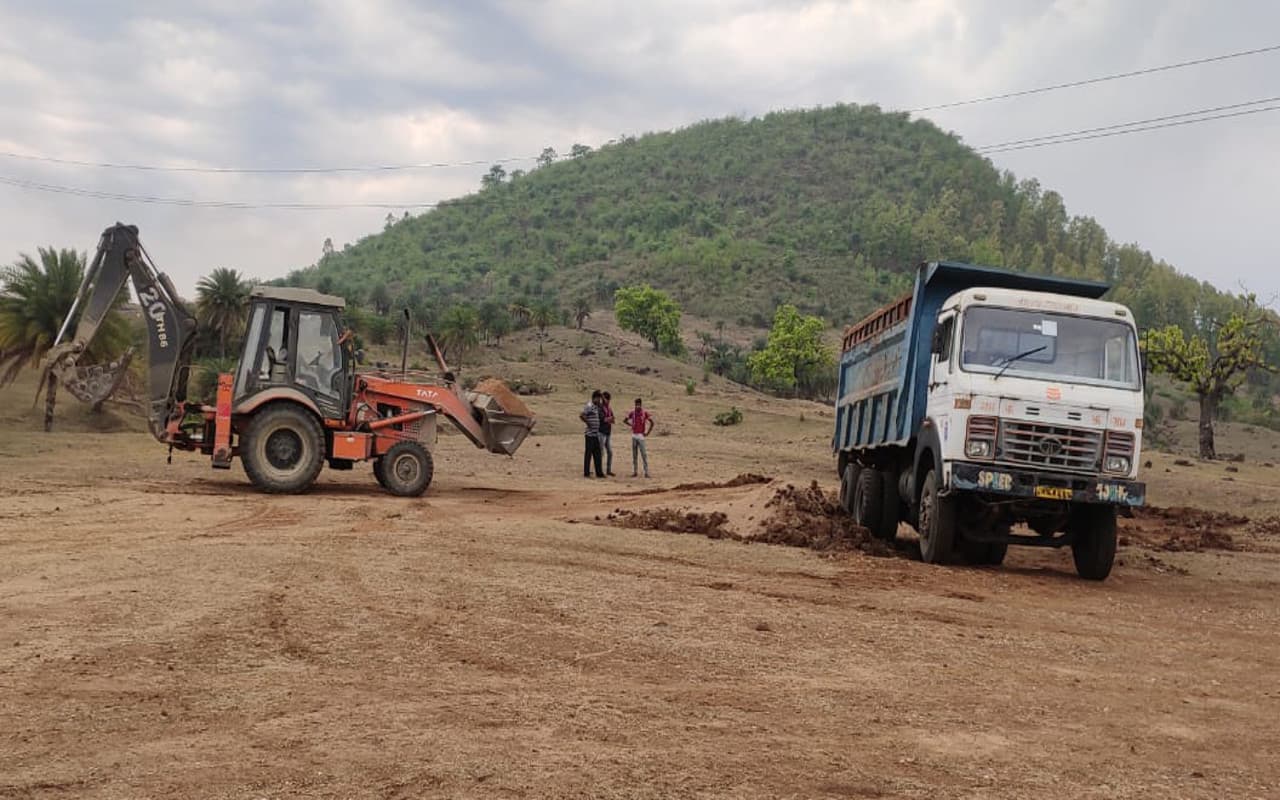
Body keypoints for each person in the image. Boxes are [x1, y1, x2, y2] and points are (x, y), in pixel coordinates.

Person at [624, 397, 655, 478]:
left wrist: (647, 433)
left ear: (641, 405)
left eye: (638, 405)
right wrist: (631, 425)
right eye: (636, 405)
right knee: (635, 455)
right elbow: (625, 420)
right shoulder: (632, 413)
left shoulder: (644, 413)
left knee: (643, 454)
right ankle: (635, 471)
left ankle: (646, 472)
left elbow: (652, 422)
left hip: (641, 436)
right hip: (634, 435)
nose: (637, 406)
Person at [580, 390, 605, 478]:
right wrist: (588, 423)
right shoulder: (589, 406)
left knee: (597, 454)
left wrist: (602, 397)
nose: (599, 400)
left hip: (595, 434)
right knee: (588, 454)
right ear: (594, 398)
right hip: (589, 434)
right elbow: (582, 415)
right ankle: (586, 473)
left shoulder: (596, 406)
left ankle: (599, 473)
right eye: (598, 398)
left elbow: (604, 405)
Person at [600, 391, 616, 477]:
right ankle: (600, 471)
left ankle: (608, 470)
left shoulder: (609, 408)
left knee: (609, 452)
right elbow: (603, 419)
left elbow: (612, 419)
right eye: (607, 399)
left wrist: (609, 419)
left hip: (607, 432)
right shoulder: (601, 408)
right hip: (602, 432)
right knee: (601, 452)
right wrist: (610, 419)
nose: (608, 401)